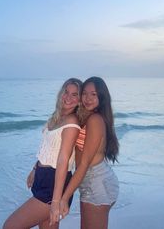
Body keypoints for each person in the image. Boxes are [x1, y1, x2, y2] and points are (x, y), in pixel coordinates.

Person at [3, 78, 82, 229]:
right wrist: (35, 168)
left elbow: (63, 160)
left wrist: (56, 201)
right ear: (61, 93)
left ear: (79, 100)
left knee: (10, 226)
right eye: (66, 92)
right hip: (43, 176)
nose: (68, 97)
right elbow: (48, 148)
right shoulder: (57, 117)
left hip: (53, 184)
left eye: (74, 94)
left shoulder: (71, 122)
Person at [50, 76, 119, 229]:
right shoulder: (85, 117)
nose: (87, 98)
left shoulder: (95, 120)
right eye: (84, 93)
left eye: (93, 94)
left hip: (96, 182)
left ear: (101, 97)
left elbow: (84, 163)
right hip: (92, 181)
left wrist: (64, 198)